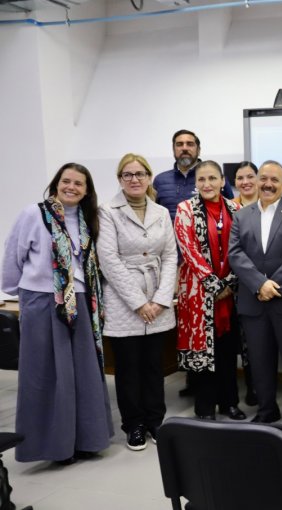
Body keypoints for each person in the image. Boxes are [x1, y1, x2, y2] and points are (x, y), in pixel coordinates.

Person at [1, 163, 114, 464]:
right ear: (55, 184)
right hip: (43, 300)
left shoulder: (91, 219)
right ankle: (53, 447)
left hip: (81, 300)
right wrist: (23, 294)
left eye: (79, 183)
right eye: (66, 181)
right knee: (48, 376)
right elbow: (14, 255)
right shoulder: (33, 214)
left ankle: (87, 440)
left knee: (84, 374)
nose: (72, 187)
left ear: (87, 190)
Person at [97, 154, 177, 451]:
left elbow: (170, 256)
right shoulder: (107, 211)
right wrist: (138, 302)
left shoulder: (160, 211)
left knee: (154, 366)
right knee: (129, 367)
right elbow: (109, 260)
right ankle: (134, 425)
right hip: (123, 300)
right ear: (120, 179)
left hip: (157, 298)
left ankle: (156, 420)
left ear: (148, 177)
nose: (134, 179)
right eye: (128, 175)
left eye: (140, 174)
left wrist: (160, 299)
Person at [230, 160, 282, 434]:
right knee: (260, 362)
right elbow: (235, 254)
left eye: (274, 180)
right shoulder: (241, 215)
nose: (267, 184)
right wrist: (259, 284)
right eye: (263, 178)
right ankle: (266, 410)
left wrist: (272, 285)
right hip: (253, 301)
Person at [173, 161, 246, 422]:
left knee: (226, 350)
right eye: (201, 179)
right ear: (195, 183)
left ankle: (229, 403)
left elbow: (241, 248)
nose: (207, 184)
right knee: (203, 352)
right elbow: (189, 249)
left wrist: (230, 283)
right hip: (198, 293)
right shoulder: (185, 209)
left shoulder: (235, 208)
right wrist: (215, 284)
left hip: (231, 291)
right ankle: (205, 407)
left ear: (222, 182)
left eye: (212, 178)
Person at [230, 160, 260, 406]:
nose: (245, 182)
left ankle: (262, 386)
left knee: (262, 340)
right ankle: (251, 386)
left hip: (266, 283)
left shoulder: (270, 206)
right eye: (240, 178)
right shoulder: (229, 209)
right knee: (244, 340)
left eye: (250, 176)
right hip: (236, 285)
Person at [154, 129, 233, 220]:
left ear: (198, 150)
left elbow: (230, 211)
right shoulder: (160, 180)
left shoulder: (217, 179)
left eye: (190, 144)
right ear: (173, 149)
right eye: (179, 144)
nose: (184, 148)